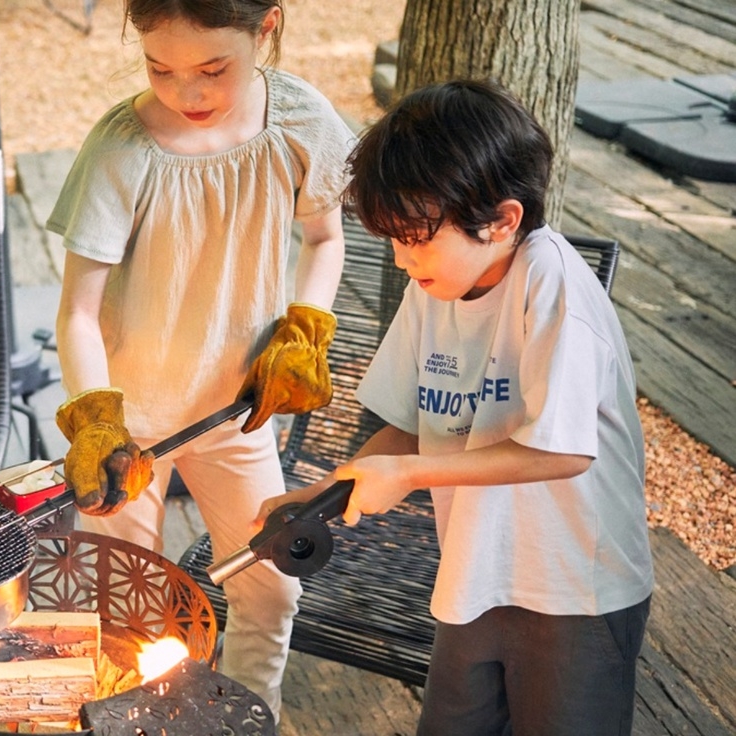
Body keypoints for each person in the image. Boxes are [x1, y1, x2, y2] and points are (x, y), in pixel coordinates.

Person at [258, 79, 654, 735]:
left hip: (575, 588)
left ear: (502, 221)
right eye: (393, 239)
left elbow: (562, 452)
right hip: (475, 571)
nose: (401, 259)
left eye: (416, 238)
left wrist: (410, 474)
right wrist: (322, 494)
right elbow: (408, 426)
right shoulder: (435, 284)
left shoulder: (551, 284)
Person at [47, 0, 354, 723]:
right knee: (124, 606)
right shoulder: (122, 149)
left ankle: (246, 718)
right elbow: (78, 313)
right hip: (128, 433)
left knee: (271, 586)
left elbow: (325, 239)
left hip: (236, 413)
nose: (187, 93)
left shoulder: (300, 122)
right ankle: (134, 722)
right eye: (160, 69)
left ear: (265, 28)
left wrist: (305, 328)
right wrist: (96, 425)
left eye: (213, 70)